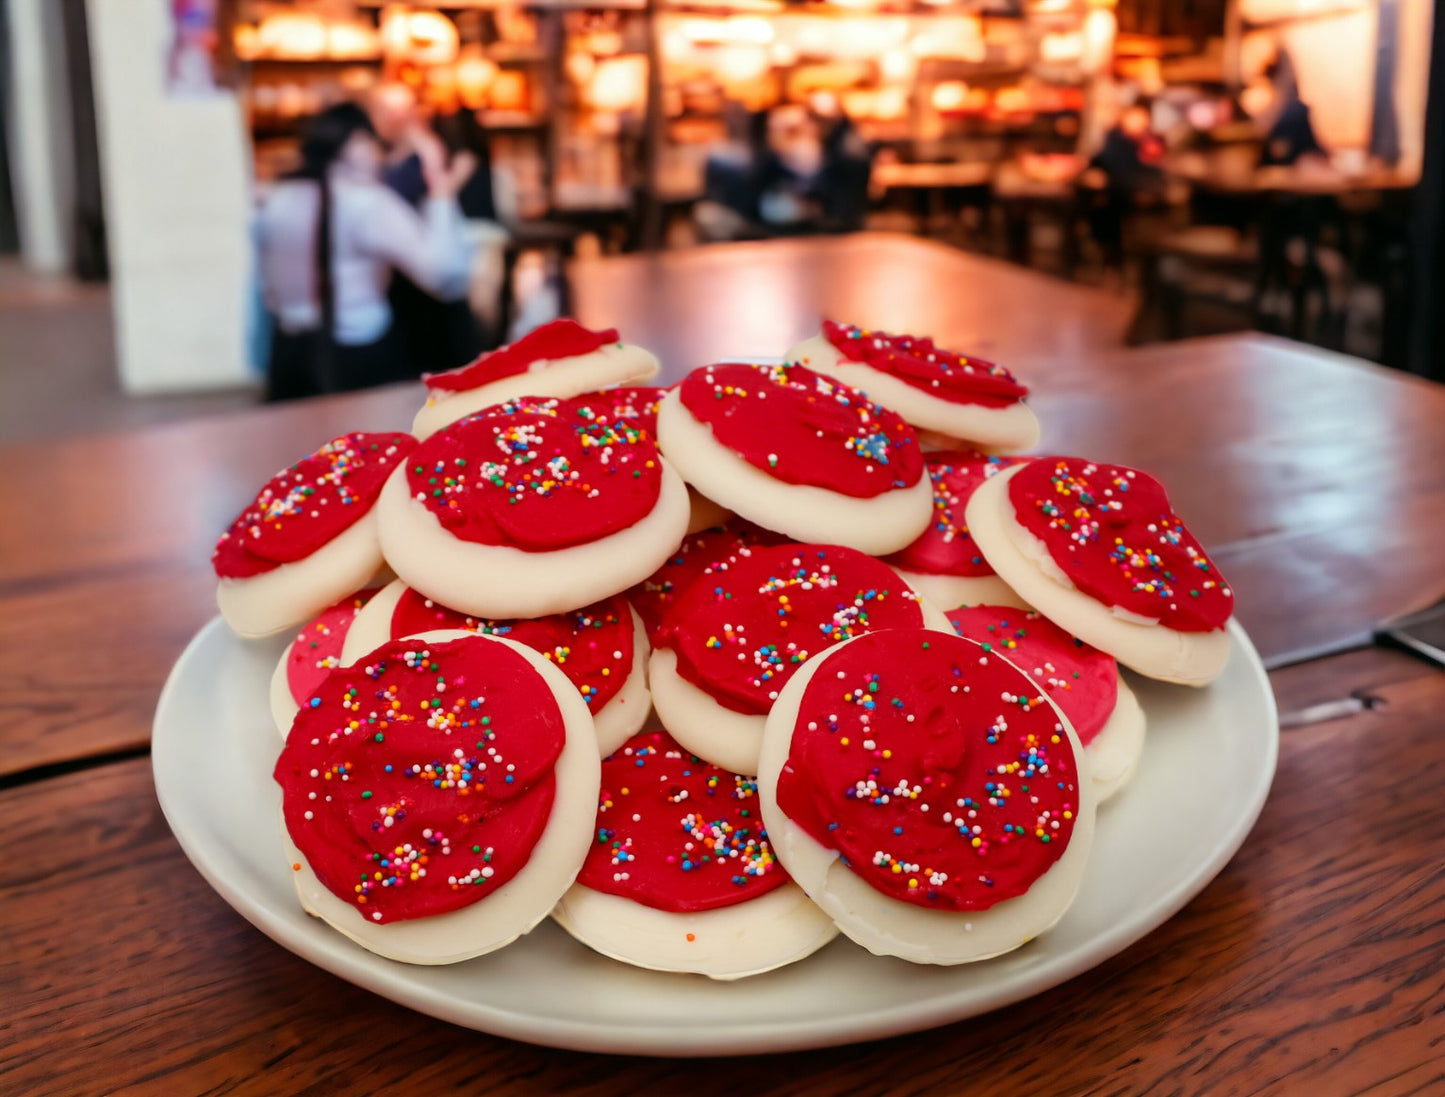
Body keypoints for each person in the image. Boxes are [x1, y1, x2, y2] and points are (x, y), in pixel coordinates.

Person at [255, 102, 475, 401]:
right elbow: (446, 275)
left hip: (287, 351)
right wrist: (440, 189)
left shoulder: (277, 197)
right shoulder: (365, 201)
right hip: (357, 356)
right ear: (356, 143)